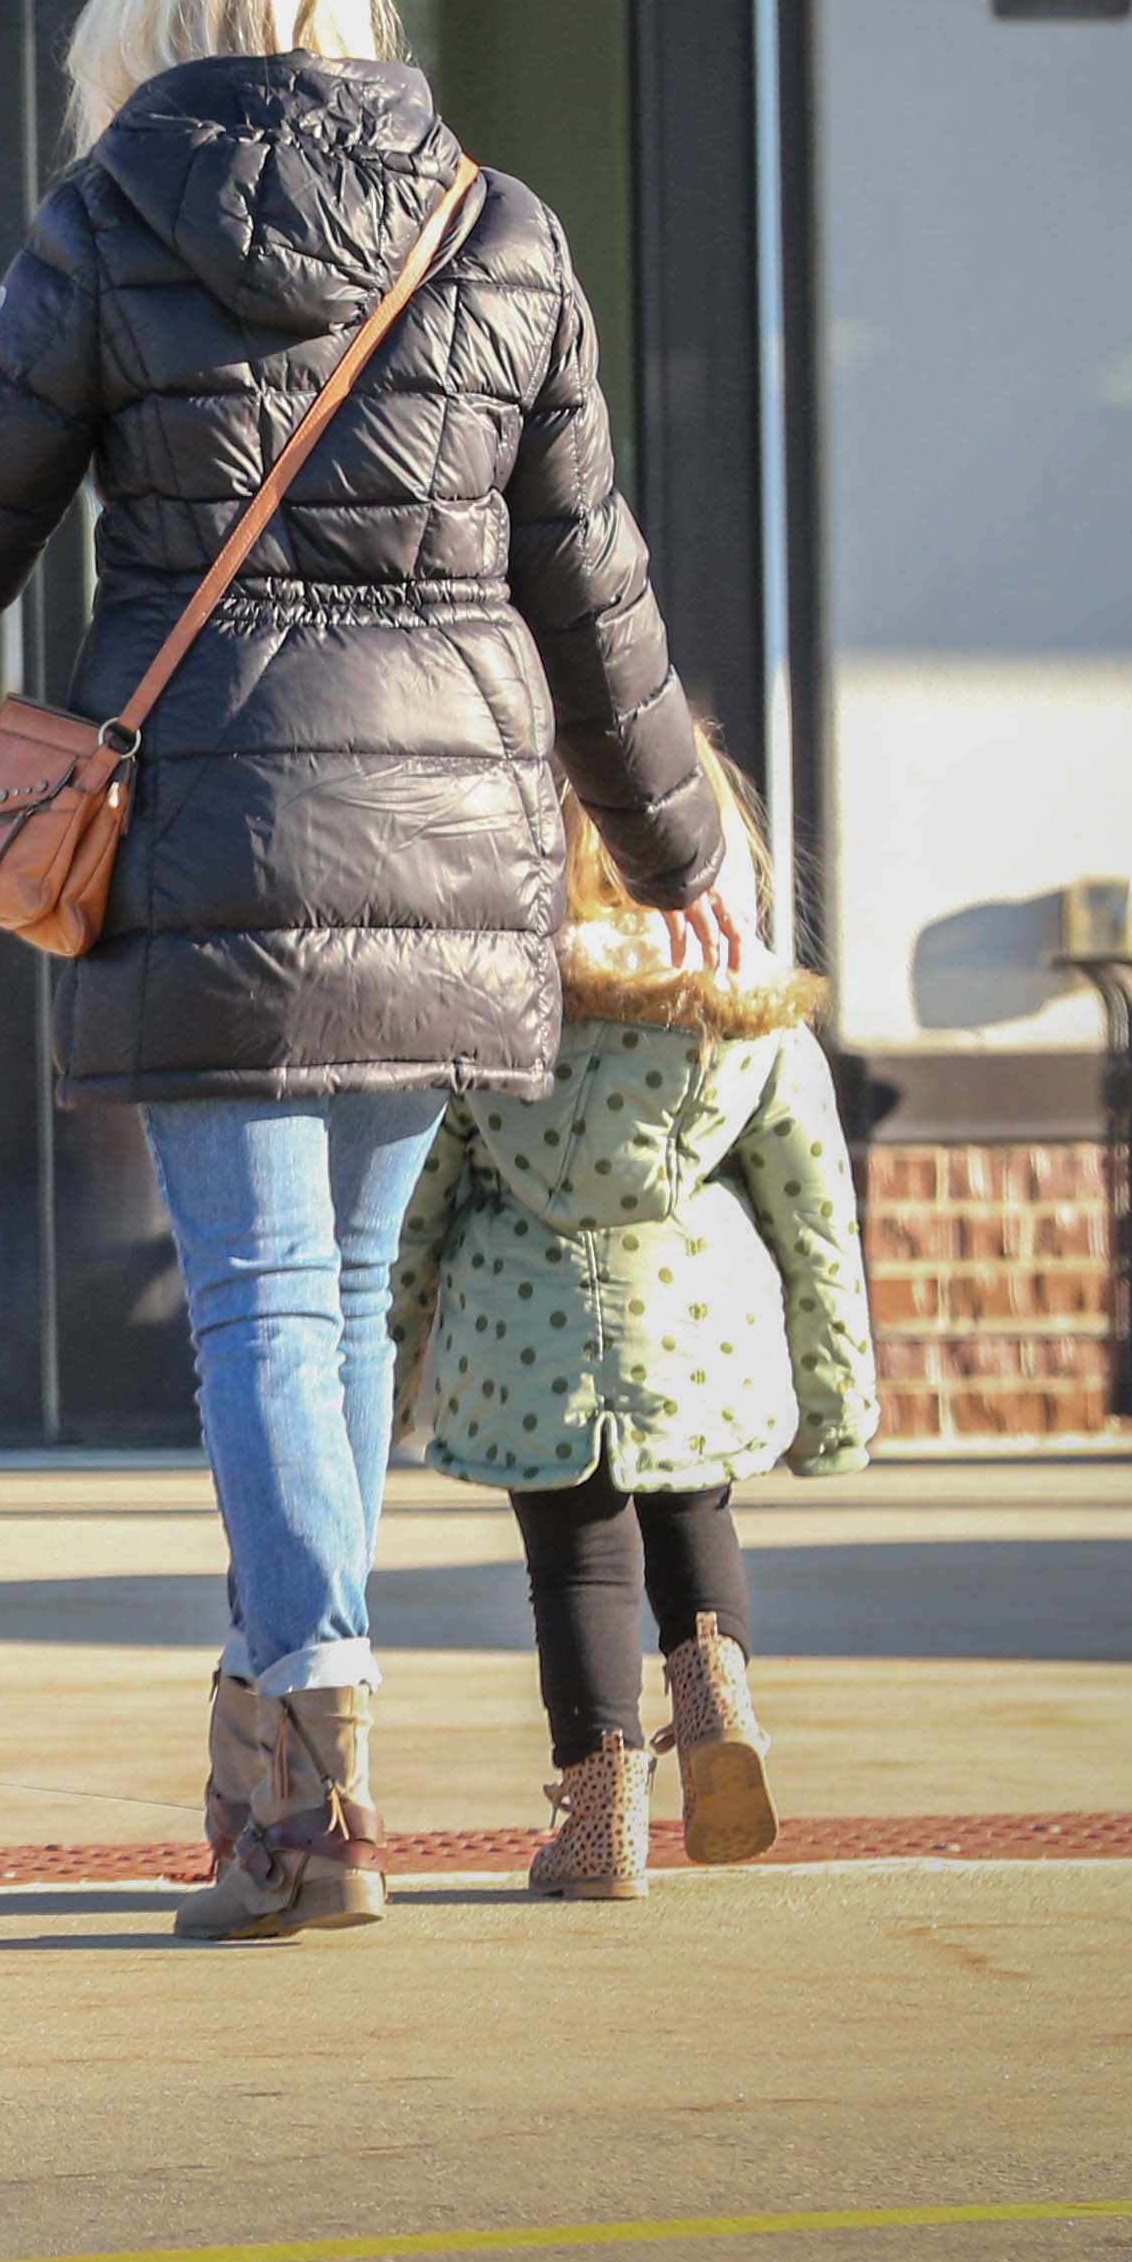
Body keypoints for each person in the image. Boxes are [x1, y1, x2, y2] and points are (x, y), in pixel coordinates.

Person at [0, 0, 744, 1944]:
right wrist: (678, 843)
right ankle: (275, 1757)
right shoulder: (503, 232)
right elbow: (593, 577)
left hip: (208, 835)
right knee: (324, 1325)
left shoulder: (115, 218)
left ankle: (309, 1764)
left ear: (149, 11)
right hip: (442, 852)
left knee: (265, 1312)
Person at [391, 739, 871, 1900]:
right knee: (695, 1514)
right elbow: (815, 1217)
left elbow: (419, 1207)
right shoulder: (745, 1013)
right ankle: (716, 1696)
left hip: (524, 1341)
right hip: (697, 1324)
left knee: (576, 1571)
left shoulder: (486, 1017)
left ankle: (601, 1818)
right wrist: (837, 1402)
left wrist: (391, 1375)